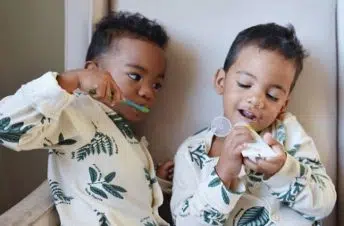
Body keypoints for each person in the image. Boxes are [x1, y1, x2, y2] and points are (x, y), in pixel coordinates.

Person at [0, 11, 173, 226]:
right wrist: (70, 80)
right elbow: (5, 125)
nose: (148, 92)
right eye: (135, 76)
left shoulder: (125, 134)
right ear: (93, 71)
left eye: (156, 85)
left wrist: (156, 180)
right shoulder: (76, 112)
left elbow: (126, 201)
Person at [171, 23, 336, 225]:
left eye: (272, 96)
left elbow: (324, 204)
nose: (256, 99)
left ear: (283, 105)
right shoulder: (192, 152)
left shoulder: (286, 131)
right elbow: (185, 222)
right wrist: (223, 174)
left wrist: (284, 171)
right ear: (221, 81)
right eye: (245, 84)